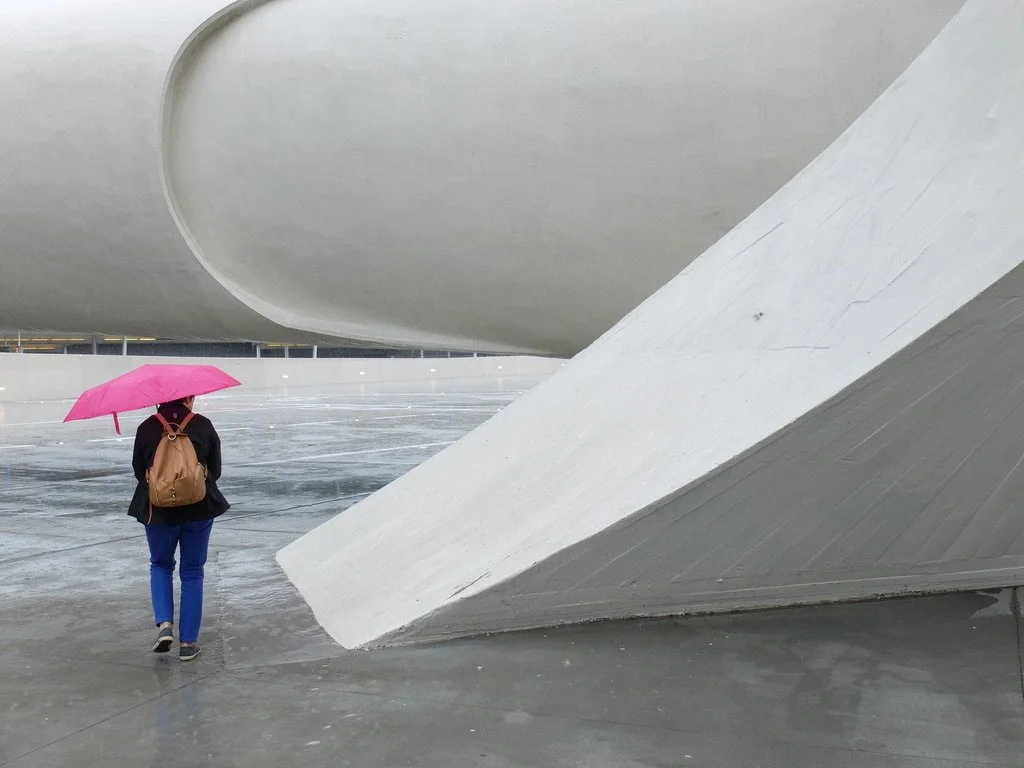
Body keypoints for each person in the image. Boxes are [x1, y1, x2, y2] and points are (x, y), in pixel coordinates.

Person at [128, 396, 229, 661]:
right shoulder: (203, 425)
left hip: (158, 512)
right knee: (193, 572)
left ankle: (164, 626)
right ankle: (188, 644)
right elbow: (215, 471)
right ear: (189, 398)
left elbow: (140, 471)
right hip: (199, 509)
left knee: (160, 565)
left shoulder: (147, 427)